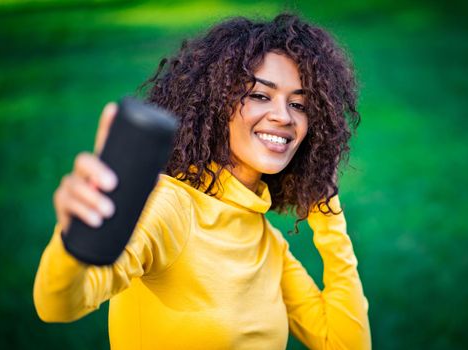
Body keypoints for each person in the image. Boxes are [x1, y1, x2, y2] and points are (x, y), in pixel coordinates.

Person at [33, 13, 371, 350]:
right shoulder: (170, 208)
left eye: (298, 104)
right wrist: (75, 239)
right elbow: (58, 306)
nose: (284, 116)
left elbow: (343, 345)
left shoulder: (267, 243)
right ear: (215, 102)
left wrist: (328, 214)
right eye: (259, 95)